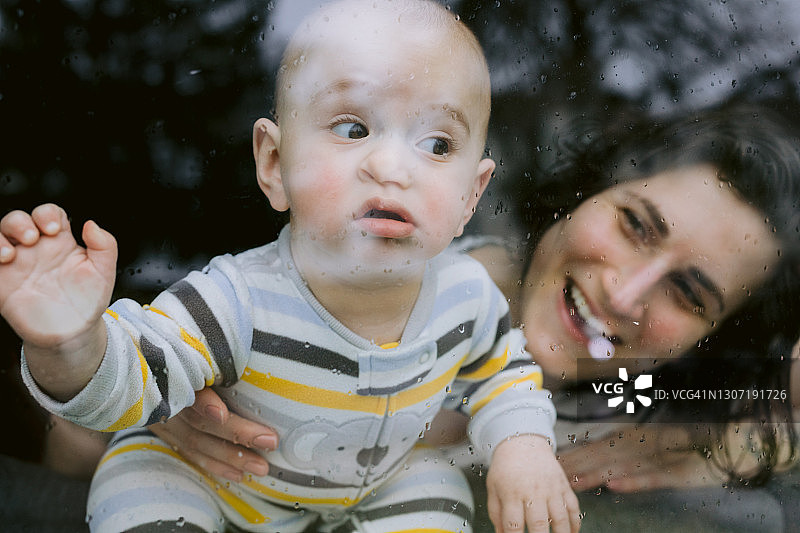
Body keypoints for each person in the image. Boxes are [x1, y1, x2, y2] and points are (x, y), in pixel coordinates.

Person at [0, 1, 581, 532]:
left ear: (470, 198)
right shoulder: (237, 301)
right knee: (141, 473)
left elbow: (505, 376)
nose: (391, 166)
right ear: (275, 163)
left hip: (373, 490)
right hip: (217, 483)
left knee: (437, 484)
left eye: (436, 144)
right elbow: (132, 380)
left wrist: (522, 447)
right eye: (353, 128)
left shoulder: (468, 296)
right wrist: (69, 342)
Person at [154, 102, 800, 530]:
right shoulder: (375, 269)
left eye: (689, 294)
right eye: (633, 224)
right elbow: (72, 439)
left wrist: (731, 445)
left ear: (714, 338)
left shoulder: (638, 410)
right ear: (583, 194)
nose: (627, 295)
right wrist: (154, 403)